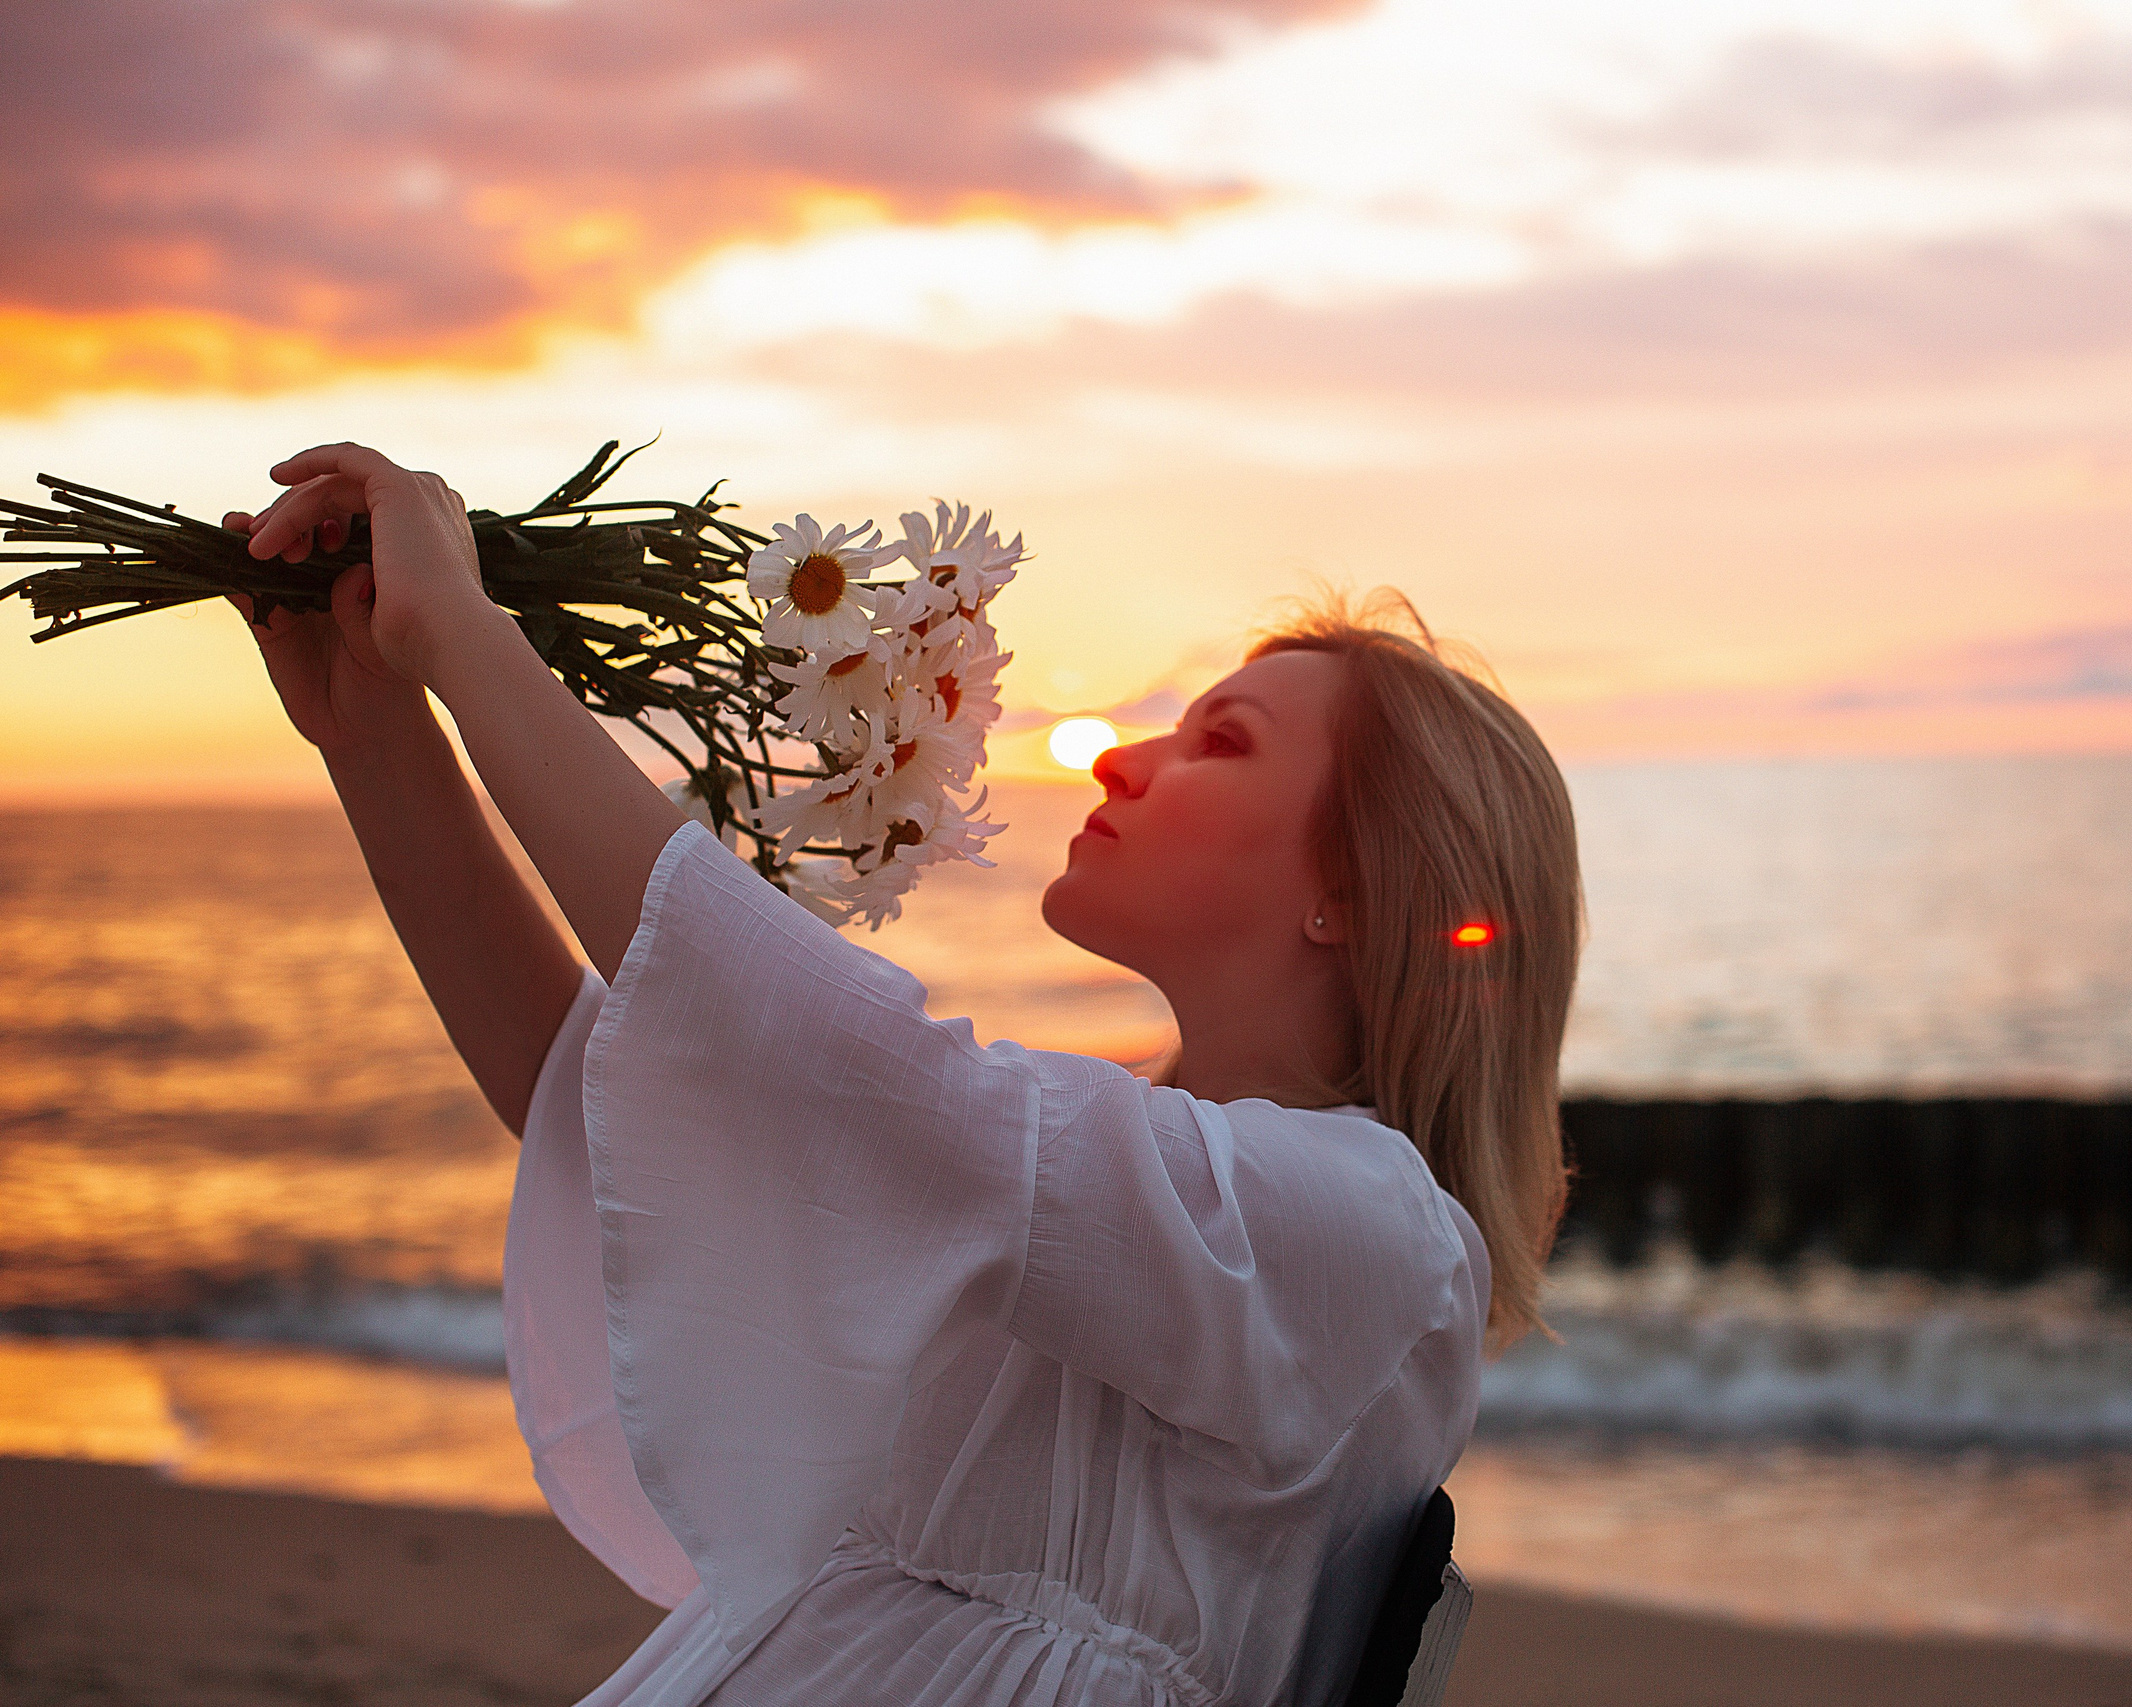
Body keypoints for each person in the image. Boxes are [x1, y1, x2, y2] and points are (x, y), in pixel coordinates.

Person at [223, 443, 1583, 1707]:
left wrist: (469, 638)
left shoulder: (1376, 1234)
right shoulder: (1131, 1189)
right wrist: (378, 730)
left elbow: (861, 1082)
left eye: (1222, 738)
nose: (1121, 751)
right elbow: (602, 1093)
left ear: (1354, 886)